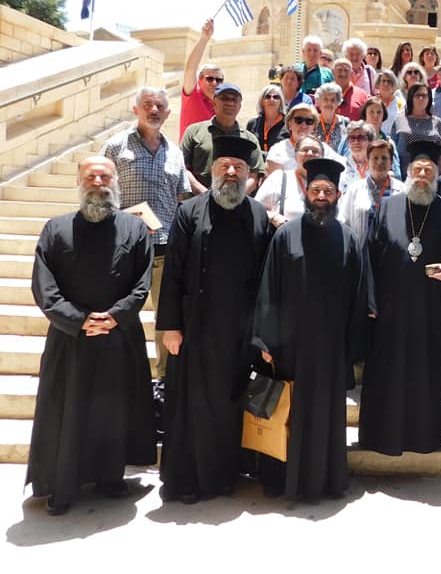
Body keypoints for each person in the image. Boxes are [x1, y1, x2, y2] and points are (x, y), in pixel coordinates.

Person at [27, 156, 155, 515]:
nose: (98, 182)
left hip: (118, 337)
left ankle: (110, 478)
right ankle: (62, 487)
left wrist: (115, 317)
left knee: (112, 411)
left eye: (104, 176)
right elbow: (44, 288)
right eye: (91, 176)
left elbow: (142, 283)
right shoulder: (55, 229)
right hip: (70, 339)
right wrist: (79, 320)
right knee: (67, 412)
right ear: (79, 182)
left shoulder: (134, 229)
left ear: (116, 182)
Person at [156, 136, 272, 504]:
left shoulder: (258, 214)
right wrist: (170, 327)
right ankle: (188, 480)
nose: (232, 172)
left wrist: (262, 334)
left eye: (239, 167)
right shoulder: (190, 212)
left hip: (238, 333)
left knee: (228, 406)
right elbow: (173, 271)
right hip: (195, 328)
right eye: (225, 166)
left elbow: (266, 279)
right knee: (192, 407)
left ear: (249, 174)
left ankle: (224, 475)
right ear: (213, 170)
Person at [253, 158, 369, 500]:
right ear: (306, 192)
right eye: (315, 190)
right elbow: (269, 289)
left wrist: (352, 345)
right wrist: (265, 340)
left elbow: (358, 295)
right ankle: (283, 481)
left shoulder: (348, 239)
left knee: (325, 417)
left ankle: (326, 481)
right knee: (289, 415)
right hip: (291, 347)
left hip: (331, 349)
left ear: (337, 196)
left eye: (327, 191)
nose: (321, 197)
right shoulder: (285, 235)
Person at [359, 140, 441, 454]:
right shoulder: (388, 206)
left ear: (436, 176)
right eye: (417, 170)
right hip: (390, 311)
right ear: (408, 172)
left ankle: (423, 436)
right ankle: (383, 437)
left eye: (428, 171)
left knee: (425, 374)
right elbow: (369, 254)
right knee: (387, 372)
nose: (422, 176)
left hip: (431, 311)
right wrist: (371, 301)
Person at [100, 86, 190, 380]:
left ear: (168, 113)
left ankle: (163, 380)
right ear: (135, 109)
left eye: (159, 106)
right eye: (148, 104)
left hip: (164, 250)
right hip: (124, 248)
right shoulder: (115, 147)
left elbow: (180, 200)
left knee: (166, 319)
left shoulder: (175, 153)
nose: (154, 110)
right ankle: (118, 377)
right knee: (118, 313)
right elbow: (100, 192)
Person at [180, 83, 265, 194]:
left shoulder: (250, 139)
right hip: (197, 200)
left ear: (240, 106)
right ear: (214, 103)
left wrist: (235, 198)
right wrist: (205, 195)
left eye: (234, 100)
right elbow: (183, 168)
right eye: (224, 98)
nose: (230, 103)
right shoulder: (193, 132)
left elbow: (254, 177)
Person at [338, 139, 404, 244]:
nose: (379, 162)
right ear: (367, 161)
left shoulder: (402, 191)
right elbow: (343, 221)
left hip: (392, 250)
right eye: (375, 158)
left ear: (391, 162)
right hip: (361, 250)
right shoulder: (354, 189)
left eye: (384, 158)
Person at [256, 135, 324, 228]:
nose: (310, 153)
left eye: (315, 151)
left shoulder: (327, 186)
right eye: (305, 150)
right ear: (295, 156)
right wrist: (273, 217)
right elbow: (256, 209)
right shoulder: (279, 178)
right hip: (285, 235)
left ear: (322, 157)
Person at [265, 101, 343, 175]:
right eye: (298, 120)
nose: (303, 125)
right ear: (290, 124)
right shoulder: (278, 150)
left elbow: (343, 168)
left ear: (314, 127)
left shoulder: (324, 149)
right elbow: (275, 180)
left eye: (309, 121)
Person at [391, 82, 441, 174]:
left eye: (424, 95)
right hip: (404, 174)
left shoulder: (437, 122)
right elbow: (393, 151)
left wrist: (440, 175)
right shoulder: (399, 120)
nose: (421, 98)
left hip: (430, 174)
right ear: (411, 98)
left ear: (429, 98)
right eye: (417, 95)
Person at [178, 19, 218, 138]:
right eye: (209, 79)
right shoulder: (193, 97)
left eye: (219, 80)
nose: (214, 83)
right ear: (199, 81)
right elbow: (190, 68)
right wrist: (204, 39)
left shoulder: (223, 106)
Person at [359, 95, 402, 177]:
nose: (375, 115)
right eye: (371, 111)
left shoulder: (389, 143)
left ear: (383, 116)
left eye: (379, 112)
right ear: (365, 114)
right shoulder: (354, 138)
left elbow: (397, 174)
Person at [246, 84, 286, 152]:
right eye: (267, 97)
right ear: (262, 101)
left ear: (281, 102)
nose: (271, 99)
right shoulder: (252, 124)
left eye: (276, 97)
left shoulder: (289, 124)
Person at [313, 83, 350, 154]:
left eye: (333, 100)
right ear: (319, 101)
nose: (329, 103)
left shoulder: (346, 123)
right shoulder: (311, 122)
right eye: (325, 99)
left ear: (338, 102)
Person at [340, 121, 377, 191]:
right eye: (352, 138)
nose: (356, 141)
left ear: (370, 141)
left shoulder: (377, 166)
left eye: (361, 138)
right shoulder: (341, 165)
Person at [373, 70, 405, 137]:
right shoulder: (371, 102)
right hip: (374, 140)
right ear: (378, 84)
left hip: (394, 140)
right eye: (383, 81)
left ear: (393, 85)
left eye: (389, 81)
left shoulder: (401, 104)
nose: (386, 84)